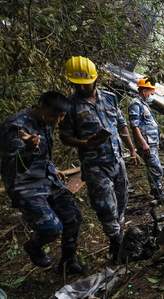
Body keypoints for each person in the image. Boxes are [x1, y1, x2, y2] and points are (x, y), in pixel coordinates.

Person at [59, 56, 140, 263]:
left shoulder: (110, 98)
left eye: (86, 83)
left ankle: (117, 238)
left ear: (95, 79)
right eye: (77, 84)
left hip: (116, 159)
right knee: (105, 205)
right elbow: (64, 136)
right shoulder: (69, 106)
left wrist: (132, 150)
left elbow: (121, 125)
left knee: (121, 201)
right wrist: (85, 144)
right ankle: (117, 241)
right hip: (94, 165)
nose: (82, 87)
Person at [0, 91, 83, 274]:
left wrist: (51, 168)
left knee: (73, 217)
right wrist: (29, 149)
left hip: (47, 179)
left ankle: (68, 263)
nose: (57, 120)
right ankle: (33, 246)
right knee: (51, 229)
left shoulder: (48, 122)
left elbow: (44, 154)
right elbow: (15, 166)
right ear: (38, 107)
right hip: (24, 183)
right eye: (53, 115)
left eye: (61, 116)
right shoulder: (16, 125)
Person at [128, 79, 164, 204]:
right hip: (146, 143)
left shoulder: (143, 103)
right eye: (151, 94)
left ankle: (156, 190)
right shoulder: (135, 103)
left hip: (151, 142)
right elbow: (134, 126)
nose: (152, 96)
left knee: (154, 168)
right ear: (144, 91)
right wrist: (143, 143)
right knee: (156, 169)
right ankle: (159, 196)